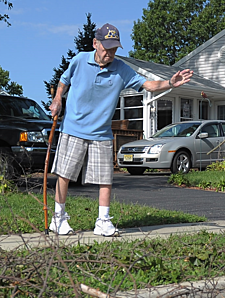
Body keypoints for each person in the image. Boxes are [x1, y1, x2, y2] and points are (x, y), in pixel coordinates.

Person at [49, 23, 193, 236]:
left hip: (101, 133)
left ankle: (103, 221)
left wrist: (170, 83)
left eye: (114, 49)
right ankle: (58, 219)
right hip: (73, 128)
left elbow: (148, 85)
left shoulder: (122, 69)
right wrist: (57, 100)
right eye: (106, 47)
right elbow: (63, 81)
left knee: (105, 179)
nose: (109, 53)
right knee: (65, 175)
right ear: (95, 43)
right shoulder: (80, 60)